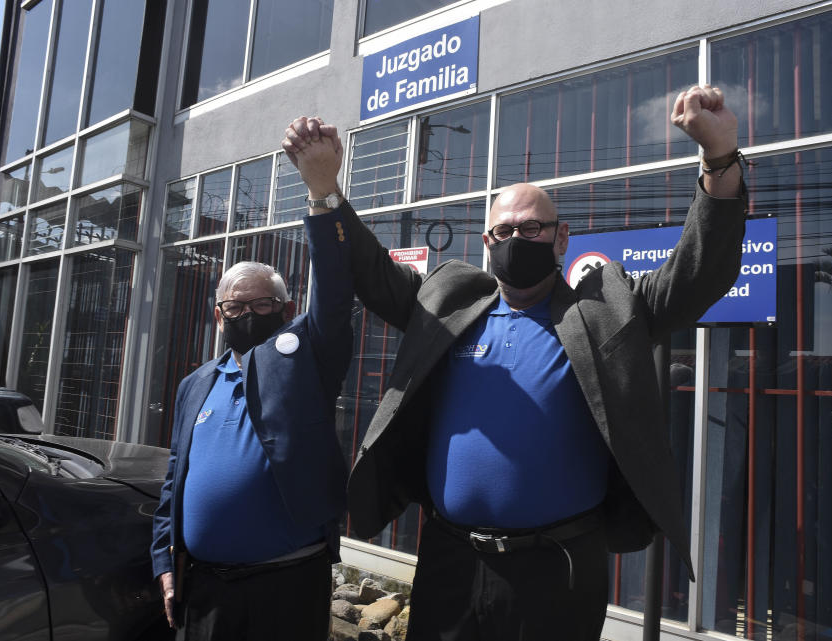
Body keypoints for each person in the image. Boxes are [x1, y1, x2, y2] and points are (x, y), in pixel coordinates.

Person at [283, 84, 747, 640]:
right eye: (505, 231)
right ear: (486, 241)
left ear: (561, 238)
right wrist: (326, 189)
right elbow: (370, 269)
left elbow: (699, 274)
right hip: (450, 562)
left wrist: (719, 161)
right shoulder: (447, 304)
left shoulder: (606, 309)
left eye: (532, 229)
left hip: (556, 573)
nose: (517, 238)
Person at [149, 245, 353, 639]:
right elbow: (175, 479)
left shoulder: (309, 370)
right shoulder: (196, 384)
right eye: (235, 306)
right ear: (218, 316)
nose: (246, 315)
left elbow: (334, 296)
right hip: (205, 589)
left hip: (286, 588)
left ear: (287, 310)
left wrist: (322, 203)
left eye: (262, 305)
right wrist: (164, 560)